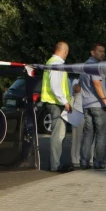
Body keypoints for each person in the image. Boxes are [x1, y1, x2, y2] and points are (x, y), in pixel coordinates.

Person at [79, 28, 106, 170]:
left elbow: (78, 86)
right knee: (101, 134)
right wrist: (105, 101)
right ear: (92, 52)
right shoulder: (94, 66)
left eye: (103, 51)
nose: (103, 54)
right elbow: (97, 84)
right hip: (97, 105)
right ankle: (98, 162)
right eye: (100, 52)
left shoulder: (84, 65)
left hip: (86, 105)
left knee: (88, 134)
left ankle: (84, 161)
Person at [39, 42, 73, 172]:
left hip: (54, 103)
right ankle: (55, 165)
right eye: (67, 53)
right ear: (64, 51)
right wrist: (65, 102)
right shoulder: (57, 64)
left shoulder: (51, 62)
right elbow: (55, 86)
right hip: (56, 103)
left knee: (59, 135)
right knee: (58, 136)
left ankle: (55, 163)